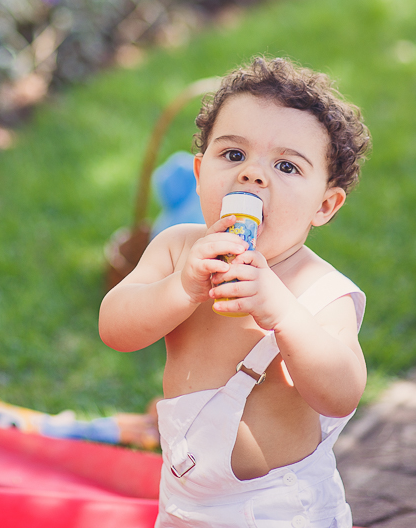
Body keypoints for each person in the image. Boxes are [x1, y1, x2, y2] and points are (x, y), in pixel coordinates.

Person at [99, 56, 371, 528]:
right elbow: (115, 328)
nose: (253, 174)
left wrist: (282, 312)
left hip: (277, 509)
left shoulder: (320, 290)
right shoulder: (177, 248)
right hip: (184, 497)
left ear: (324, 205)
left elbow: (341, 393)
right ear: (201, 172)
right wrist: (180, 288)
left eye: (286, 165)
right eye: (233, 155)